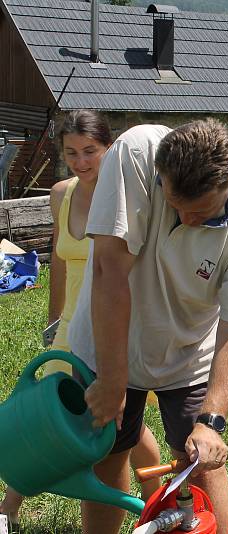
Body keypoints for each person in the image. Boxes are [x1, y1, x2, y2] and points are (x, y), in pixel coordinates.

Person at [67, 118, 228, 534]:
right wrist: (112, 380)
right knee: (107, 455)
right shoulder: (135, 153)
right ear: (160, 173)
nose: (185, 217)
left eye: (200, 211)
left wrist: (212, 421)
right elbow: (110, 270)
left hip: (188, 352)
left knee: (201, 462)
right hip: (109, 341)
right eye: (175, 204)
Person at [0, 111, 161, 532]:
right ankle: (9, 509)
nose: (81, 162)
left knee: (115, 421)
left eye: (90, 151)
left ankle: (157, 498)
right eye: (71, 153)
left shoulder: (130, 197)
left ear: (109, 148)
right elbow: (57, 257)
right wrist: (54, 319)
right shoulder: (60, 194)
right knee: (48, 411)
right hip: (70, 324)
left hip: (108, 325)